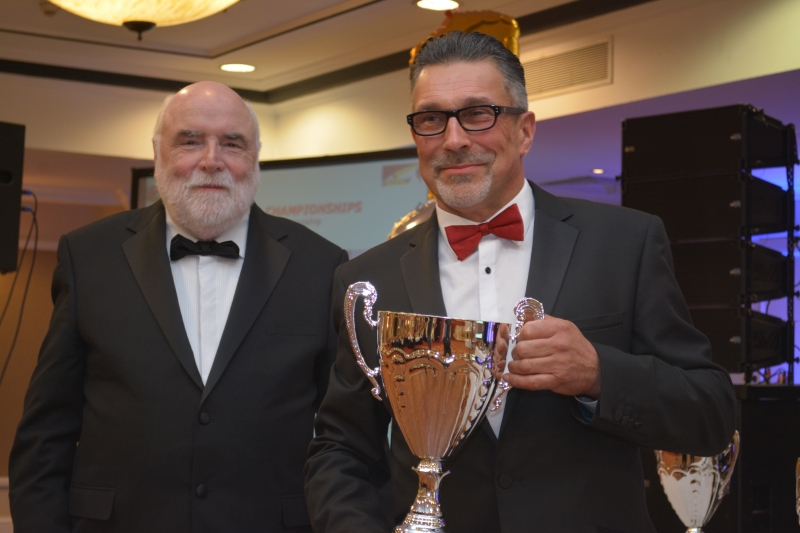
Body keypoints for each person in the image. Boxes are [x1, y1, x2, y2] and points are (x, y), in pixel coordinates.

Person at [304, 31, 736, 533]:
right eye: (431, 119)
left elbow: (711, 413)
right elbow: (340, 449)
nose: (454, 139)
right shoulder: (367, 278)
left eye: (478, 114)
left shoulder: (625, 243)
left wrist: (599, 374)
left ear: (525, 131)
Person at [9, 81, 347, 533]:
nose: (211, 160)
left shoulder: (320, 265)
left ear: (255, 157)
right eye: (190, 141)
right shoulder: (89, 257)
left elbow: (345, 435)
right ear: (158, 154)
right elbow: (45, 435)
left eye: (232, 143)